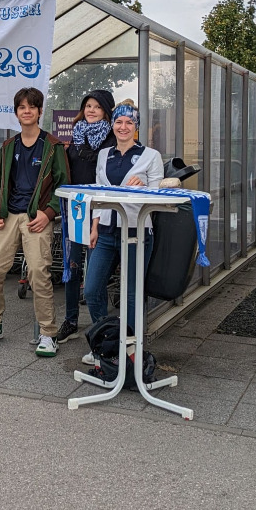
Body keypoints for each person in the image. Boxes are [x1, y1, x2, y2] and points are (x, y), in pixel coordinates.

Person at [0, 87, 70, 357]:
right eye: (22, 107)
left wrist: (48, 213)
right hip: (7, 217)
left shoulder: (52, 146)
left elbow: (63, 185)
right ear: (16, 112)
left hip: (37, 217)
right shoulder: (8, 147)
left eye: (32, 106)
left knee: (38, 273)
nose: (26, 111)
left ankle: (47, 333)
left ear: (40, 111)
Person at [82, 100, 163, 366]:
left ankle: (129, 349)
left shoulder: (151, 156)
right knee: (92, 288)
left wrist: (145, 186)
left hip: (136, 231)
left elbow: (159, 196)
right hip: (105, 231)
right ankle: (105, 340)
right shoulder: (105, 154)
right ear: (112, 125)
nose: (123, 126)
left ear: (136, 127)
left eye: (129, 122)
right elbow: (97, 193)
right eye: (119, 121)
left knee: (130, 294)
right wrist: (93, 226)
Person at [56, 89, 116, 345]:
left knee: (95, 270)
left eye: (97, 107)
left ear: (106, 111)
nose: (91, 110)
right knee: (73, 264)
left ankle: (99, 325)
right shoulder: (76, 135)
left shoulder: (111, 139)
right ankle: (70, 319)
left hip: (99, 210)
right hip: (77, 208)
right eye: (88, 106)